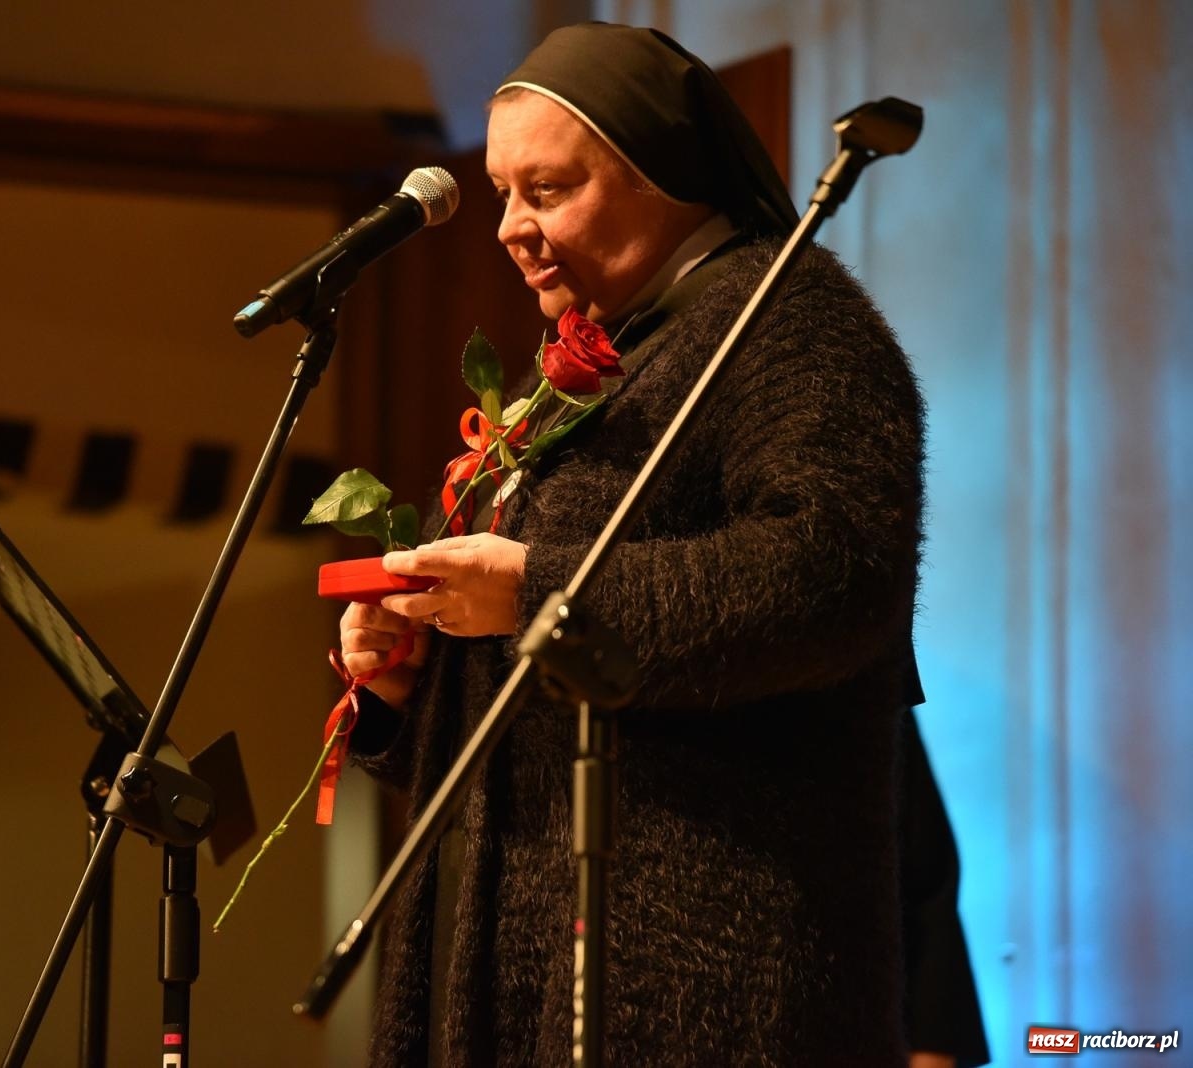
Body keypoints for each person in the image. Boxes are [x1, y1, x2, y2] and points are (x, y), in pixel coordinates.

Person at [339, 23, 934, 1065]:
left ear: (666, 173)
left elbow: (834, 574)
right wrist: (409, 682)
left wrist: (537, 592)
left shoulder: (792, 323)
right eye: (501, 192)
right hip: (524, 969)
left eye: (548, 189)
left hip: (712, 976)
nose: (509, 229)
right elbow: (535, 703)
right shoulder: (586, 365)